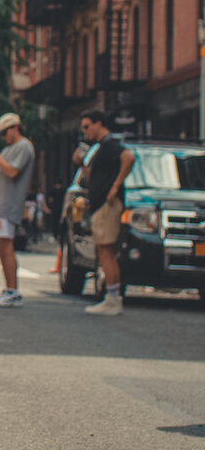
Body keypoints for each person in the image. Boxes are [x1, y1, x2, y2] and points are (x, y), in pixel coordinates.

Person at [79, 109, 135, 317]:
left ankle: (113, 299)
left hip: (107, 205)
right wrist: (81, 163)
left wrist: (115, 186)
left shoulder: (110, 144)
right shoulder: (101, 148)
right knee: (104, 250)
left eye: (87, 126)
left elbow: (128, 157)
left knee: (106, 250)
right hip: (100, 205)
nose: (85, 132)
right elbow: (90, 178)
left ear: (99, 123)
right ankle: (111, 297)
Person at [0, 111, 36, 307]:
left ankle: (13, 291)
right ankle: (8, 289)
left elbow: (12, 171)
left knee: (6, 245)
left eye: (4, 133)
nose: (3, 138)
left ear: (14, 128)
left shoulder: (24, 147)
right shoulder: (7, 150)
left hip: (8, 204)